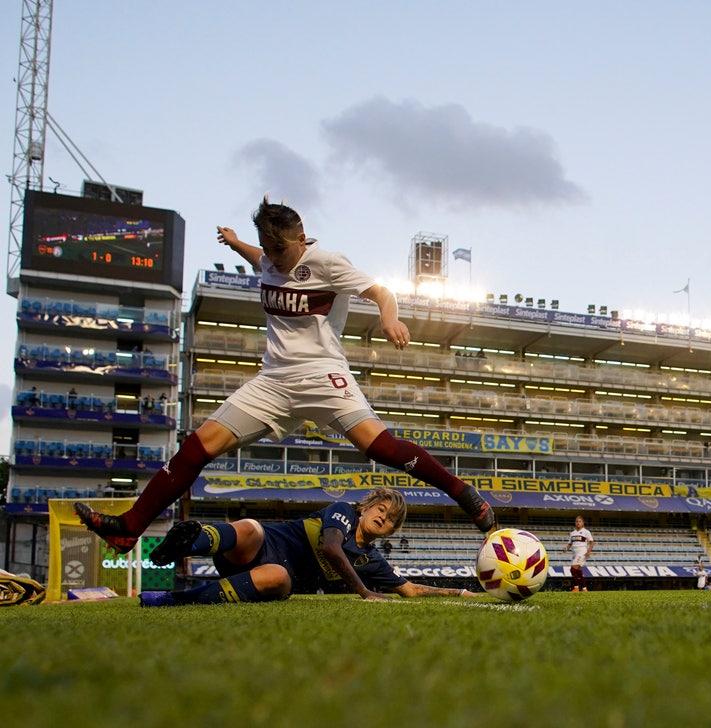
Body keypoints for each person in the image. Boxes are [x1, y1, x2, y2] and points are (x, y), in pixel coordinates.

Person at [74, 198, 496, 553]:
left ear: (301, 237)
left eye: (279, 250)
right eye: (266, 249)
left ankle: (462, 493)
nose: (272, 259)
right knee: (196, 447)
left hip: (322, 374)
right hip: (273, 381)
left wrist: (389, 319)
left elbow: (380, 291)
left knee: (378, 445)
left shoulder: (328, 264)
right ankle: (131, 527)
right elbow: (259, 259)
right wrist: (236, 242)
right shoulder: (269, 259)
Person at [138, 487, 477, 606]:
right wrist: (364, 592)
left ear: (390, 531)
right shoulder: (342, 512)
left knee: (278, 578)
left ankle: (171, 599)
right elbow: (331, 548)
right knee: (251, 528)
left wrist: (459, 594)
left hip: (273, 574)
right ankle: (185, 543)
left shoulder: (371, 561)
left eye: (389, 520)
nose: (383, 518)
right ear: (365, 509)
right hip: (260, 544)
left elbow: (410, 590)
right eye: (380, 510)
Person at [563, 515, 594, 592]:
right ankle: (584, 588)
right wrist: (566, 548)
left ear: (583, 523)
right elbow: (570, 543)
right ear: (575, 523)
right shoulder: (572, 533)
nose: (578, 523)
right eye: (577, 521)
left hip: (582, 553)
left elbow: (592, 542)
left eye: (580, 521)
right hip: (575, 554)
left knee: (572, 569)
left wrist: (589, 551)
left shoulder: (586, 532)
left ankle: (576, 587)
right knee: (578, 572)